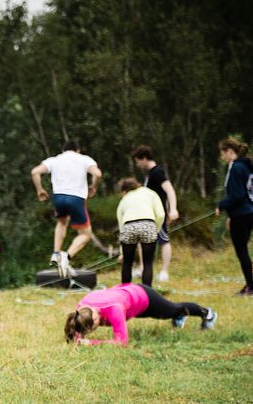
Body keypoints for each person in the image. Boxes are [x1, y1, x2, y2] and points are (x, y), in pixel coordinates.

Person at [31, 141, 102, 278]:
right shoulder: (84, 159)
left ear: (63, 150)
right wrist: (93, 186)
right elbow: (97, 174)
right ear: (78, 150)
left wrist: (40, 189)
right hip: (76, 198)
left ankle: (56, 253)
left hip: (58, 197)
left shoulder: (55, 160)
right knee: (85, 234)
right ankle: (66, 256)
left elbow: (35, 172)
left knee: (62, 222)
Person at [64, 283, 217, 346]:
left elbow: (122, 342)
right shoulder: (81, 309)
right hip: (128, 296)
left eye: (92, 328)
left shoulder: (113, 310)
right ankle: (178, 316)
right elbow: (76, 325)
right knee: (171, 311)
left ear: (96, 319)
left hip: (144, 298)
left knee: (173, 309)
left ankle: (207, 313)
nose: (92, 331)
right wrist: (76, 336)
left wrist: (92, 342)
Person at [132, 145, 180, 282]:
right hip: (148, 214)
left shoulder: (157, 172)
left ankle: (164, 272)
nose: (138, 164)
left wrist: (173, 209)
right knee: (143, 240)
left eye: (138, 161)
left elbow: (170, 190)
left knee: (163, 240)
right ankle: (142, 269)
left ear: (145, 158)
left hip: (158, 214)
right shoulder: (150, 174)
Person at [215, 137, 253, 296]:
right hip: (248, 212)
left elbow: (237, 195)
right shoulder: (246, 166)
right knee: (244, 250)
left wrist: (221, 205)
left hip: (242, 215)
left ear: (230, 152)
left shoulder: (236, 168)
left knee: (242, 251)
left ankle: (250, 286)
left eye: (223, 154)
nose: (222, 157)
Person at [116, 177, 165, 286]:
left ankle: (125, 292)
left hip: (128, 226)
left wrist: (121, 252)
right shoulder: (150, 193)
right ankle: (148, 294)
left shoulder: (124, 199)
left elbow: (121, 226)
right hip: (148, 224)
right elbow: (161, 214)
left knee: (127, 263)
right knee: (148, 263)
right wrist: (155, 229)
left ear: (124, 191)